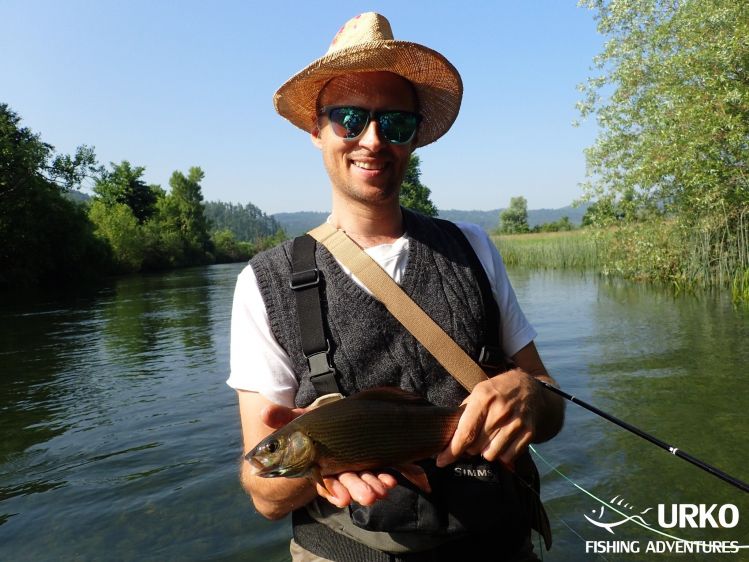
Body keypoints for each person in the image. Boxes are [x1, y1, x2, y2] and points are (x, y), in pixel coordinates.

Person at [228, 12, 565, 562]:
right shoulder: (261, 284)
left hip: (498, 545)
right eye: (349, 118)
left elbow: (550, 406)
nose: (373, 139)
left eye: (395, 124)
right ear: (317, 130)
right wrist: (318, 467)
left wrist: (532, 394)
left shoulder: (474, 248)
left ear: (414, 139)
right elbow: (265, 494)